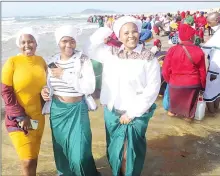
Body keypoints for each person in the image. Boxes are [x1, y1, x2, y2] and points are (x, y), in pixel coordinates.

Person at [85, 16, 161, 176]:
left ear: (139, 33)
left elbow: (152, 89)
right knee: (114, 153)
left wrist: (132, 113)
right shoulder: (110, 53)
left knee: (129, 156)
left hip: (134, 115)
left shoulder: (148, 58)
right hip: (112, 113)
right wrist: (106, 30)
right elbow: (90, 47)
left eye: (134, 31)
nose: (131, 35)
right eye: (125, 33)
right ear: (118, 36)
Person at [40, 25, 100, 176]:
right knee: (61, 151)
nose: (68, 45)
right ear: (58, 42)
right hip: (57, 111)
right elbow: (48, 85)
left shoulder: (83, 60)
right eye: (64, 41)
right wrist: (44, 91)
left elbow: (89, 87)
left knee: (80, 153)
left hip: (77, 110)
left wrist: (64, 74)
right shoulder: (52, 61)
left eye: (72, 41)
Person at [1, 27, 46, 176]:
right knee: (26, 160)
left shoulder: (41, 61)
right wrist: (21, 116)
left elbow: (48, 85)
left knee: (33, 157)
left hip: (37, 118)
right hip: (18, 120)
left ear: (36, 43)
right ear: (19, 44)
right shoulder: (12, 62)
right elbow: (5, 91)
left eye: (31, 41)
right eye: (23, 42)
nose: (27, 45)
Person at [162, 24, 206, 122]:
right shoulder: (199, 51)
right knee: (188, 114)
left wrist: (171, 82)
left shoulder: (172, 50)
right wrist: (203, 87)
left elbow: (165, 70)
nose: (195, 37)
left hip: (175, 84)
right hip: (192, 85)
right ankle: (187, 133)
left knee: (172, 111)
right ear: (191, 37)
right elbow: (202, 72)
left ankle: (173, 130)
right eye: (194, 35)